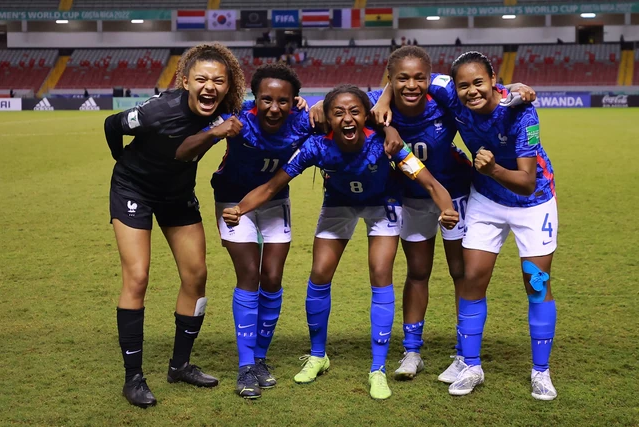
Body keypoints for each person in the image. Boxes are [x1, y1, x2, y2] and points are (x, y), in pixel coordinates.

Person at [222, 84, 459, 400]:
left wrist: (447, 208)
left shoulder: (386, 145)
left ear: (366, 116)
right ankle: (318, 356)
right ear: (327, 118)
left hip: (382, 204)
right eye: (338, 113)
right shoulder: (316, 147)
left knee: (380, 272)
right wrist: (240, 208)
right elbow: (270, 187)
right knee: (320, 273)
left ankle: (377, 369)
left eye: (355, 112)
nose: (347, 119)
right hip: (338, 202)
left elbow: (427, 180)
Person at [103, 43, 245, 408]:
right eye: (201, 79)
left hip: (177, 193)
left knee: (196, 275)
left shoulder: (227, 110)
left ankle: (179, 365)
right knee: (137, 277)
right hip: (133, 189)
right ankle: (133, 378)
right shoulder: (157, 112)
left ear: (228, 87)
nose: (209, 86)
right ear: (185, 81)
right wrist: (124, 160)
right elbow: (112, 124)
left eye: (218, 80)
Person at [176, 63, 313, 399]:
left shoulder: (302, 121)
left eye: (283, 100)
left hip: (275, 200)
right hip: (232, 202)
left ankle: (261, 357)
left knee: (273, 277)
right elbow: (183, 150)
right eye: (266, 99)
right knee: (249, 273)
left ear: (294, 100)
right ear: (255, 97)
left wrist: (316, 106)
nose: (274, 107)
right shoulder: (236, 118)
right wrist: (215, 131)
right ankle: (246, 365)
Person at [428, 51, 558, 400]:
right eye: (463, 85)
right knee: (472, 278)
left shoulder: (520, 110)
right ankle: (471, 365)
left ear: (494, 80)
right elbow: (411, 75)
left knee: (536, 285)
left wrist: (492, 170)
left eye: (479, 83)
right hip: (486, 200)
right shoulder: (448, 93)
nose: (471, 91)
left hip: (532, 203)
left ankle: (541, 372)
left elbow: (527, 181)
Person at [365, 46, 473, 381]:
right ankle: (412, 351)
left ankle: (464, 351)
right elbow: (335, 105)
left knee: (461, 271)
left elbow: (482, 91)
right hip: (410, 197)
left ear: (429, 77)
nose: (412, 85)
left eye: (419, 78)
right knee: (418, 271)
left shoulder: (444, 96)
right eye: (402, 79)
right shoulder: (373, 102)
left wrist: (513, 90)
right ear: (389, 80)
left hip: (454, 192)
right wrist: (382, 113)